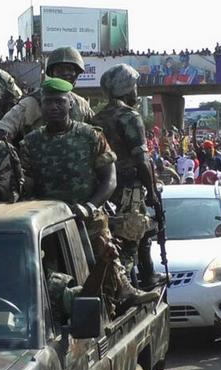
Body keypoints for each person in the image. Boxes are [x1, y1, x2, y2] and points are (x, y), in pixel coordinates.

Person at [19, 78, 157, 319]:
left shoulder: (90, 136)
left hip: (89, 217)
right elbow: (26, 185)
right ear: (41, 106)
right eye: (48, 102)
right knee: (52, 280)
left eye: (59, 102)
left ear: (70, 104)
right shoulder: (31, 143)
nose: (53, 107)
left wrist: (91, 206)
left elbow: (109, 179)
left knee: (105, 266)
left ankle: (122, 295)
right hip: (49, 226)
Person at [92, 64, 161, 290]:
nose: (136, 91)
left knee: (123, 237)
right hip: (130, 188)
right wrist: (152, 193)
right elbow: (141, 159)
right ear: (126, 88)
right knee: (130, 241)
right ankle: (123, 290)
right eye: (134, 86)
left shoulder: (97, 118)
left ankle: (140, 278)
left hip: (104, 189)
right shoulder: (129, 116)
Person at [0, 47, 95, 144]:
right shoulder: (32, 102)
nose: (65, 74)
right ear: (51, 73)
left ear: (76, 74)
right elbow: (2, 131)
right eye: (60, 70)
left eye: (69, 69)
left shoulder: (81, 104)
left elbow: (97, 129)